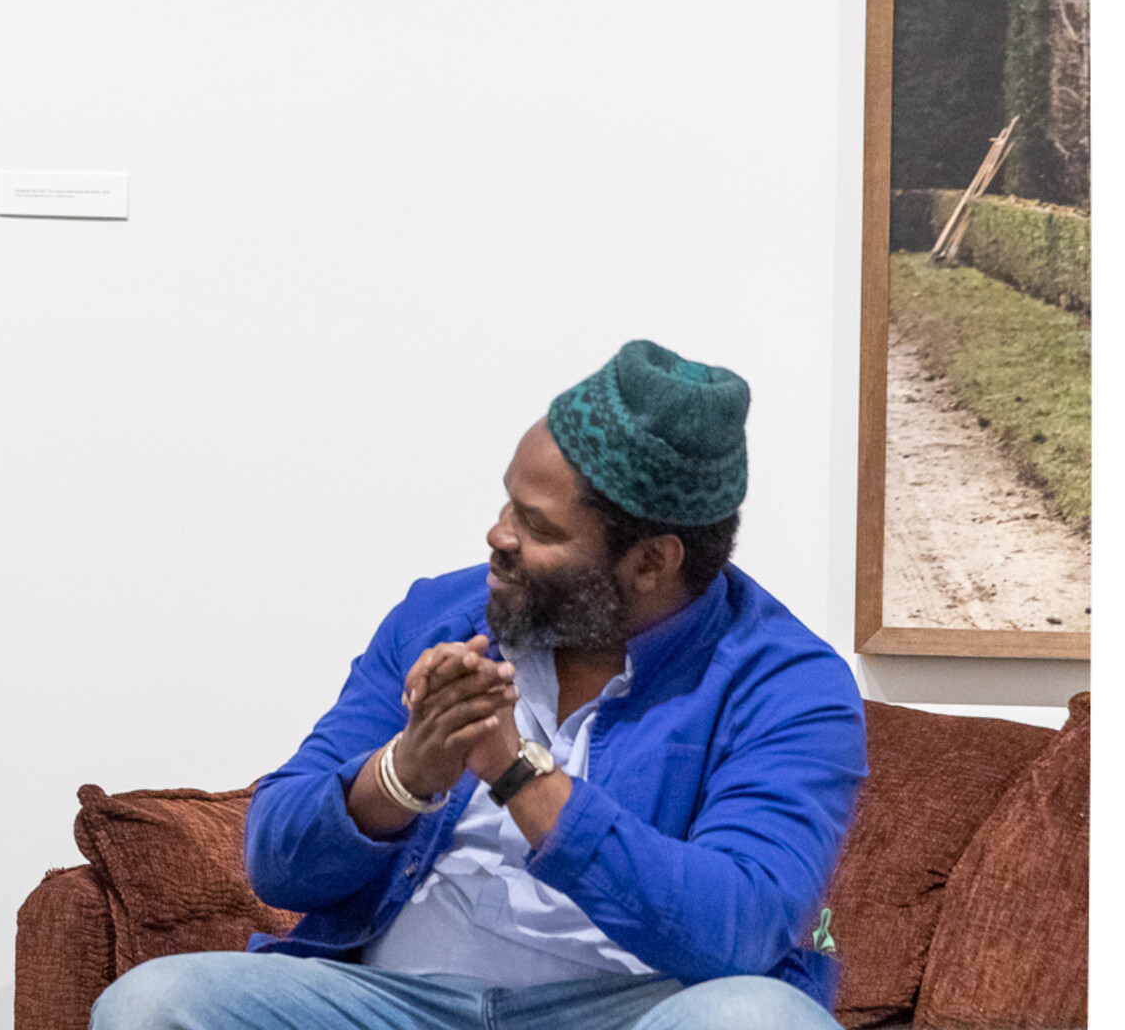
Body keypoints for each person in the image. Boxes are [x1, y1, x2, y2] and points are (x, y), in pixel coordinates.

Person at [93, 341, 867, 1030]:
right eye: (508, 505)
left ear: (652, 561)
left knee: (759, 1020)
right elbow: (277, 857)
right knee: (152, 1006)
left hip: (631, 1007)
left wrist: (517, 770)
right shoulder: (445, 615)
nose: (500, 537)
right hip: (397, 1002)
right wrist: (405, 774)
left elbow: (733, 927)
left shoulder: (787, 682)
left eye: (541, 529)